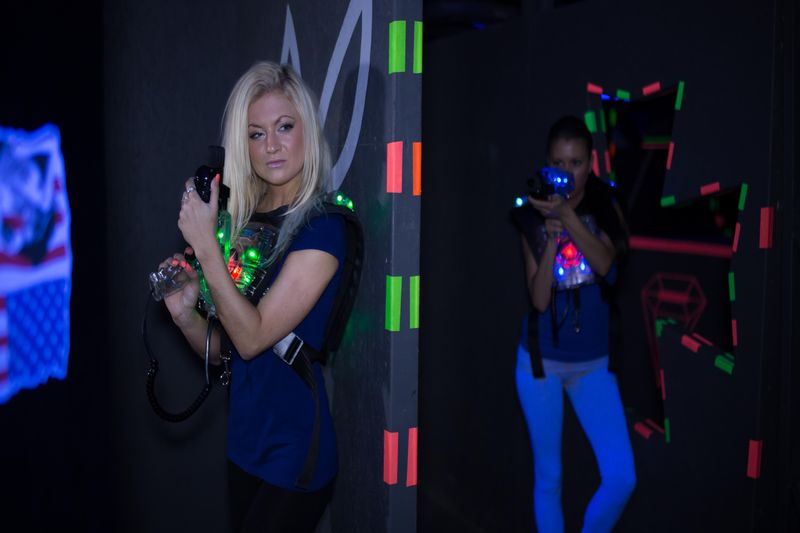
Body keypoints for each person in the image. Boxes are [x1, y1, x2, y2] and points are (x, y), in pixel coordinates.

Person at [157, 61, 345, 533]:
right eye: (256, 134)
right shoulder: (243, 223)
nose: (271, 146)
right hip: (244, 444)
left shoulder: (324, 226)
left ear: (307, 129)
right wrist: (186, 315)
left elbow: (253, 337)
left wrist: (206, 247)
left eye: (284, 127)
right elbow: (226, 350)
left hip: (294, 452)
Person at [511, 116, 636, 533]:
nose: (567, 173)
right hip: (541, 365)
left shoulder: (605, 203)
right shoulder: (530, 213)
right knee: (549, 476)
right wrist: (550, 237)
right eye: (559, 163)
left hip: (593, 365)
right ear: (547, 163)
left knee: (621, 478)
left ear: (591, 162)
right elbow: (539, 299)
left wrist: (569, 218)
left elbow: (607, 266)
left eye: (577, 163)